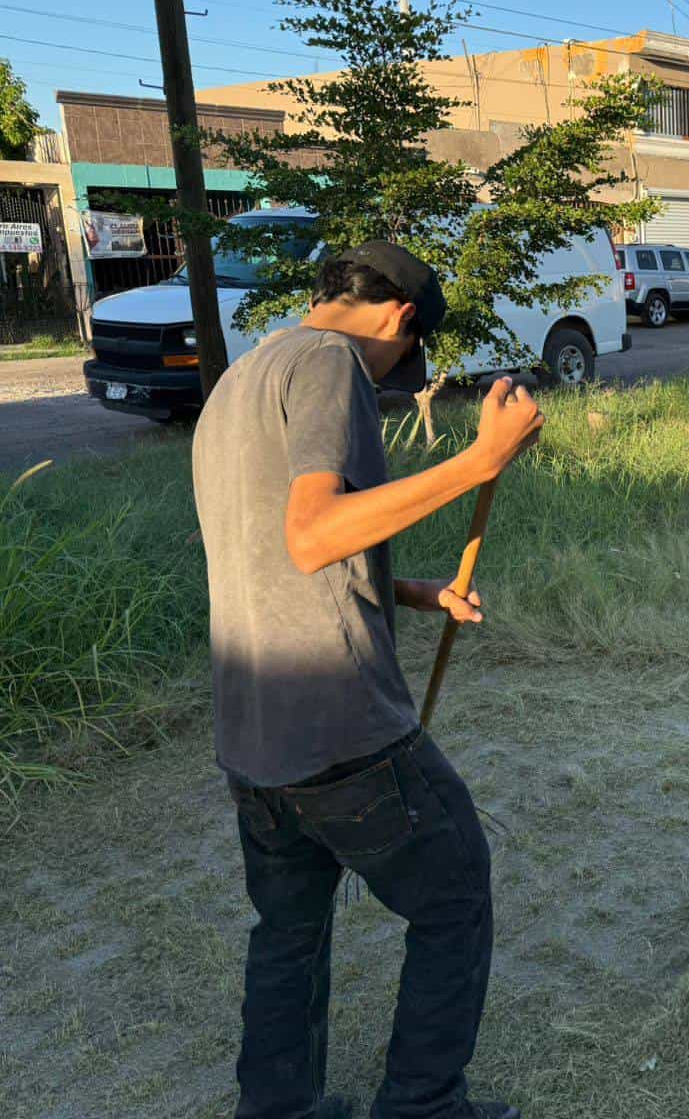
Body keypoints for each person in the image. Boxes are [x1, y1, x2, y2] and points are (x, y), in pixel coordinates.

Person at [192, 242, 545, 1119]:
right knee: (456, 887)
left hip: (251, 729)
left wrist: (412, 593)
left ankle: (277, 1109)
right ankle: (422, 1107)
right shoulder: (330, 364)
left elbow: (271, 555)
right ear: (397, 317)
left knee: (289, 931)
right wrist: (478, 463)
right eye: (406, 355)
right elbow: (313, 535)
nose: (394, 373)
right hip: (337, 724)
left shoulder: (241, 380)